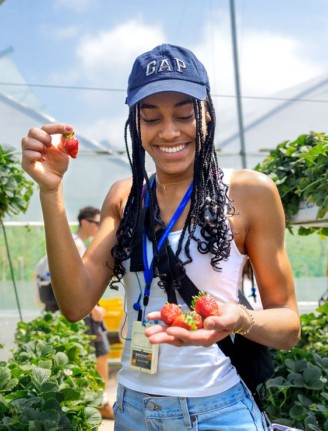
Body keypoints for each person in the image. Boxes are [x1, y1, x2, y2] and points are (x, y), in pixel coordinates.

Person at [21, 43, 300, 430]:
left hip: (219, 410)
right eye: (151, 118)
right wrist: (51, 192)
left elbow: (289, 326)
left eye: (184, 114)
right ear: (135, 124)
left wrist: (240, 319)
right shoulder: (124, 197)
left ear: (206, 113)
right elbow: (74, 304)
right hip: (134, 411)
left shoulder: (250, 193)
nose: (169, 131)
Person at [35, 206, 115, 419]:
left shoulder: (73, 243)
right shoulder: (76, 246)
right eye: (97, 223)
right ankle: (102, 402)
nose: (100, 227)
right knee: (100, 352)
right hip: (83, 312)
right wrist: (95, 308)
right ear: (84, 223)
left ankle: (97, 400)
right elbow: (76, 284)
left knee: (87, 355)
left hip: (61, 309)